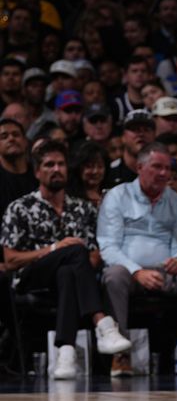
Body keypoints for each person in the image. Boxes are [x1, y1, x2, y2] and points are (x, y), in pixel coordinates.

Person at [1, 140, 131, 379]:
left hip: (72, 280)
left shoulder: (83, 209)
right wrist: (54, 249)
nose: (56, 169)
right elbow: (10, 260)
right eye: (49, 164)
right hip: (31, 277)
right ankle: (102, 323)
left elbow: (94, 256)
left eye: (61, 164)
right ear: (37, 171)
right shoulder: (20, 207)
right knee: (75, 250)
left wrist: (74, 260)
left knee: (68, 272)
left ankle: (66, 353)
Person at [99, 142, 177, 378]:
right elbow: (108, 246)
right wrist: (136, 271)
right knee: (112, 275)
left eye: (167, 168)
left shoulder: (174, 199)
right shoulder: (117, 196)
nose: (163, 173)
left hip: (164, 271)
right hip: (129, 271)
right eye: (156, 167)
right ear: (140, 167)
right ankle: (120, 356)